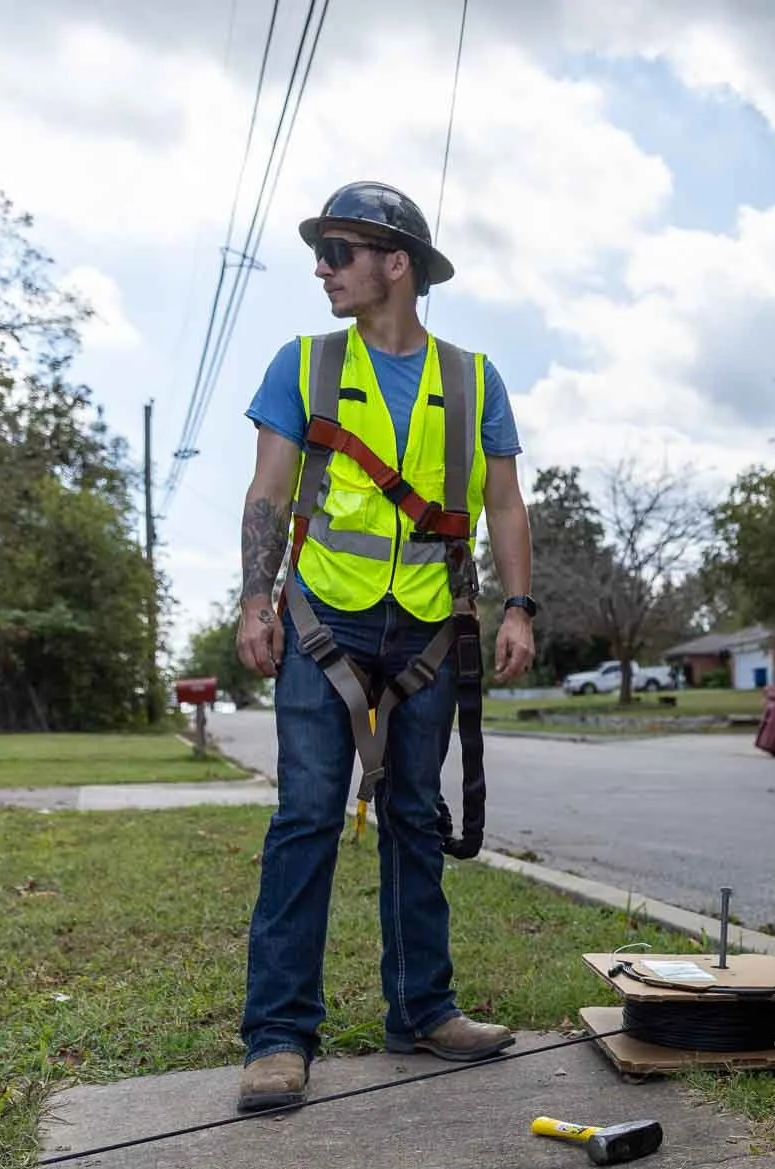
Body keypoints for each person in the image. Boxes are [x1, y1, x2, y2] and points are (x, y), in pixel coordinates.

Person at [230, 180, 539, 1113]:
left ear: (393, 263)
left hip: (430, 625)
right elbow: (267, 492)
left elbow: (503, 502)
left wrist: (518, 607)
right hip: (326, 616)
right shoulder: (306, 364)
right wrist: (255, 597)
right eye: (320, 253)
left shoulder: (475, 377)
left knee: (414, 813)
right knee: (307, 816)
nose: (322, 269)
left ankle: (423, 1010)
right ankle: (279, 1037)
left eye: (338, 251)